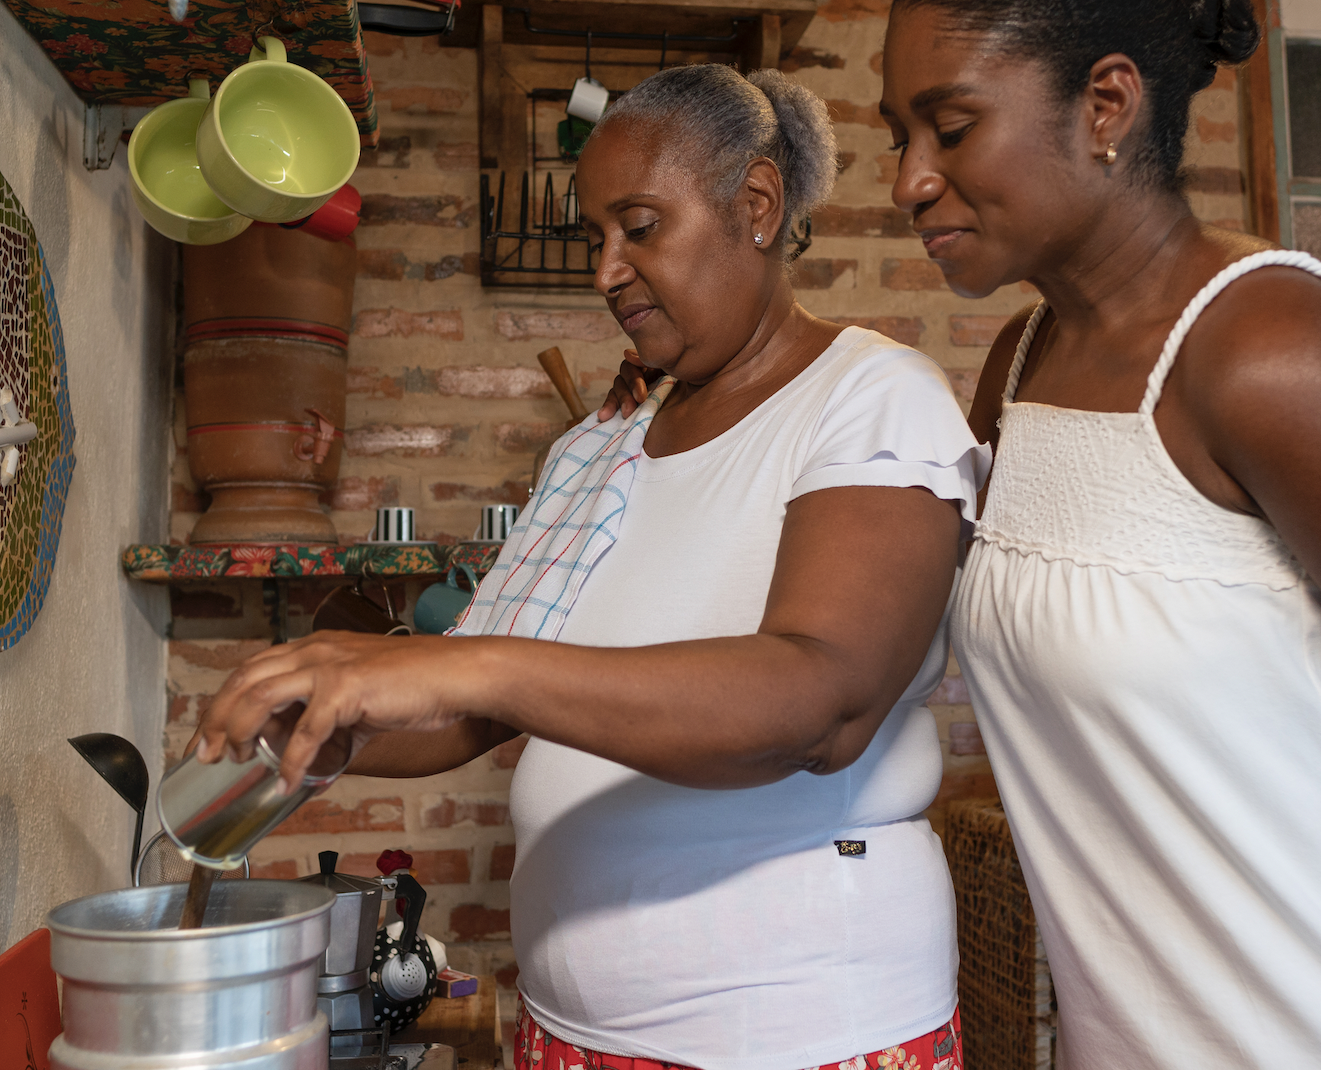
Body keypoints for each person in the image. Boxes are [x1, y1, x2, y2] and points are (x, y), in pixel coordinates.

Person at [193, 65, 980, 1070]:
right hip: (573, 1031)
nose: (606, 270)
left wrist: (465, 663)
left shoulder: (871, 399)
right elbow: (473, 709)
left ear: (755, 205)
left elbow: (818, 701)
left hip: (795, 1033)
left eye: (639, 227)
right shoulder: (599, 448)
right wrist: (320, 721)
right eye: (593, 237)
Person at [871, 0, 1321, 1067]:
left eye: (951, 125)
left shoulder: (1270, 349)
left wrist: (1296, 775)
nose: (908, 179)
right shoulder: (1021, 365)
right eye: (899, 134)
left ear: (1105, 104)